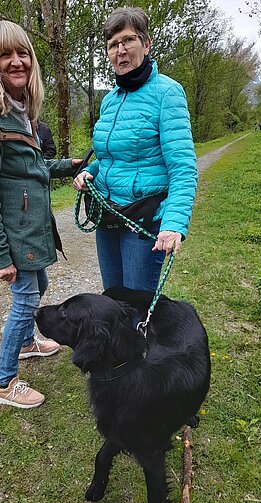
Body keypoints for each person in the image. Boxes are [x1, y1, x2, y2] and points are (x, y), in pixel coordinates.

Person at [0, 20, 82, 409]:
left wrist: (71, 164)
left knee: (39, 286)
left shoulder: (18, 108)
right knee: (26, 300)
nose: (16, 62)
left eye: (22, 53)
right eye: (5, 55)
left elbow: (32, 170)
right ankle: (3, 382)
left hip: (31, 228)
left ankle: (28, 342)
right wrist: (0, 255)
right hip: (15, 234)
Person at [73, 7, 198, 292]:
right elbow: (108, 158)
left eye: (128, 40)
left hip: (143, 221)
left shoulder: (167, 93)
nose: (121, 50)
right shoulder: (110, 100)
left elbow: (183, 167)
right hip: (108, 217)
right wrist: (89, 172)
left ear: (146, 43)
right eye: (113, 45)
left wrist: (173, 224)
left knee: (136, 311)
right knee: (112, 301)